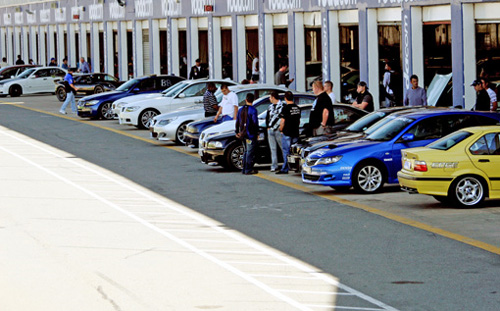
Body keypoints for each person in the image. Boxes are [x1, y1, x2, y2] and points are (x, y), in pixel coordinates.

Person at [276, 91, 301, 175]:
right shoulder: (297, 108)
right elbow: (298, 121)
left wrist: (281, 129)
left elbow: (282, 121)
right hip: (295, 132)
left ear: (285, 98)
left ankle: (285, 168)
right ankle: (296, 167)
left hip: (287, 132)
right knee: (295, 152)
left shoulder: (285, 108)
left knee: (286, 152)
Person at [235, 93, 259, 175]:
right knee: (249, 151)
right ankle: (248, 168)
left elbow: (237, 121)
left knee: (245, 151)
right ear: (253, 100)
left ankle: (244, 168)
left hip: (242, 133)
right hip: (250, 134)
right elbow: (255, 123)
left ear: (246, 100)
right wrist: (257, 133)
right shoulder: (253, 110)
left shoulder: (240, 109)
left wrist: (236, 131)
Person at [266, 91, 284, 172]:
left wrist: (282, 128)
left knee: (283, 148)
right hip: (271, 129)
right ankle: (274, 165)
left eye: (270, 97)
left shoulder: (282, 106)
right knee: (273, 149)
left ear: (273, 97)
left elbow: (284, 118)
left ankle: (286, 164)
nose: (269, 99)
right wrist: (268, 127)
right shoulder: (270, 107)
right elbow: (267, 117)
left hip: (279, 129)